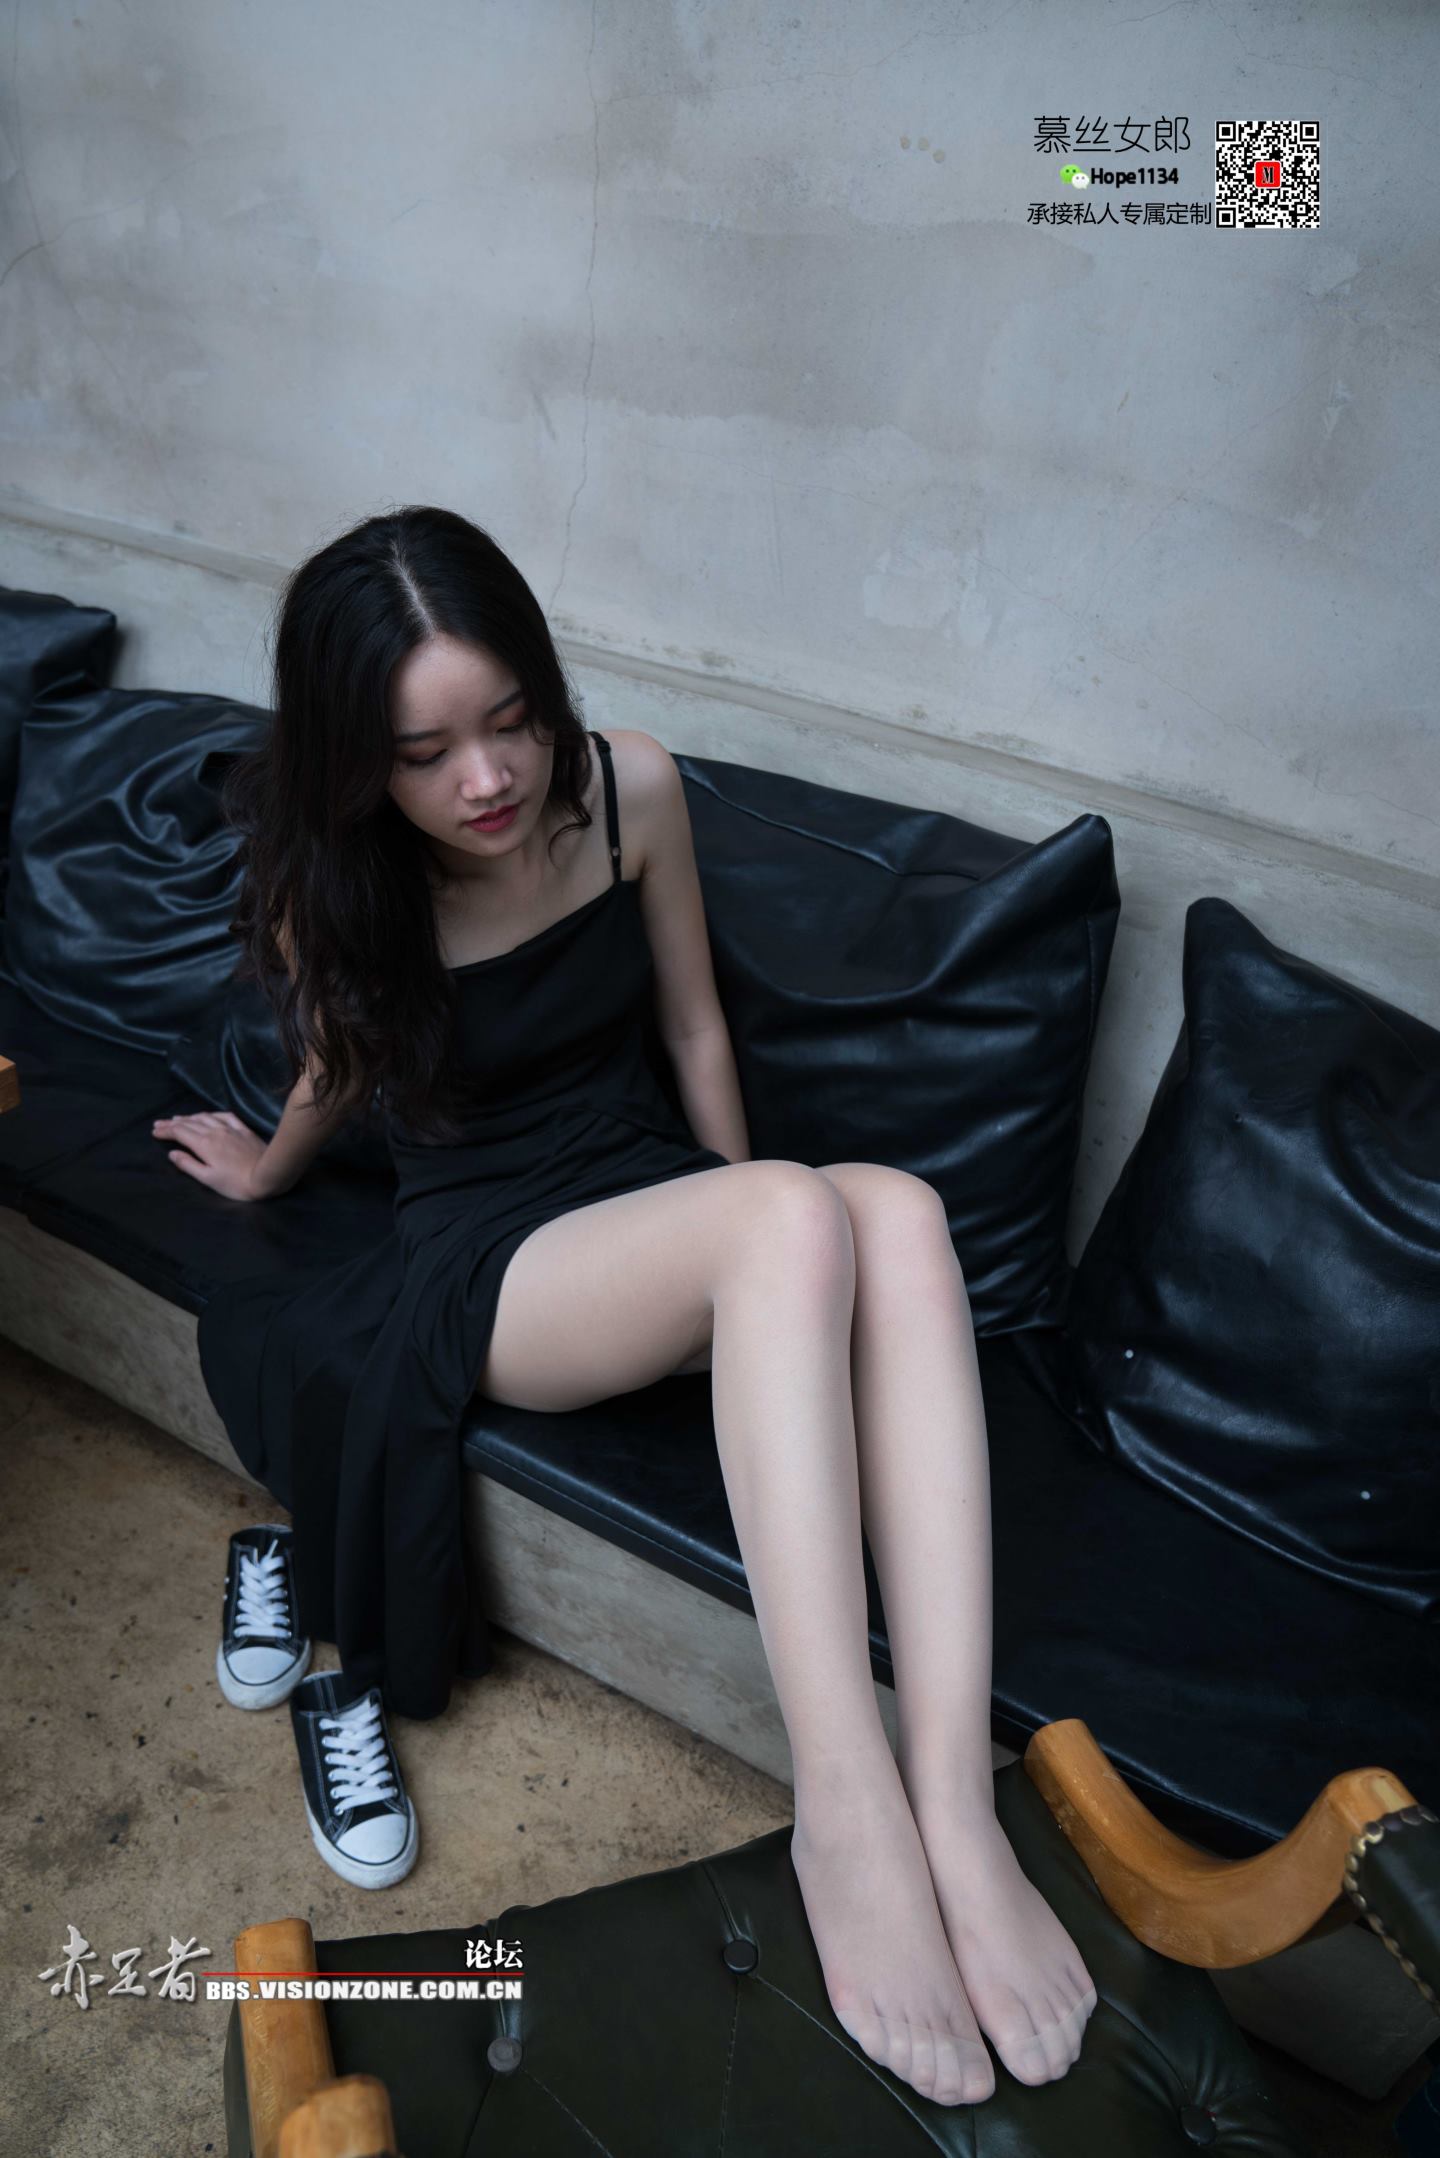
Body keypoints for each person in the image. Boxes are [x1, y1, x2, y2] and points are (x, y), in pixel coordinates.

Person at [153, 504, 1097, 2108]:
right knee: (795, 1217)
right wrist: (267, 1165)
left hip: (644, 1187)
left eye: (511, 718)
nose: (487, 779)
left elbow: (697, 1026)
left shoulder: (631, 786)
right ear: (358, 764)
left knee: (897, 1215)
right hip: (492, 1253)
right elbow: (334, 1068)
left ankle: (952, 1801)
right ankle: (845, 1810)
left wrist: (756, 1254)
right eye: (425, 752)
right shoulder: (349, 882)